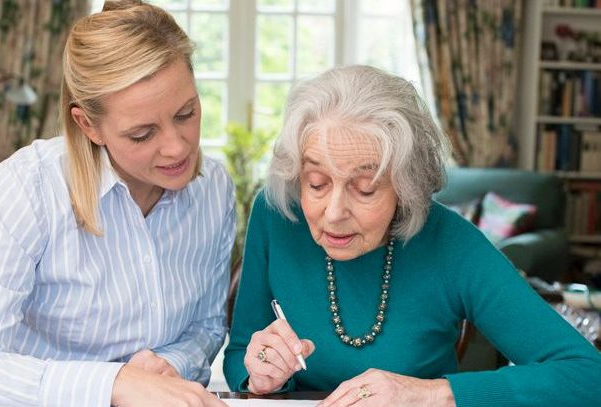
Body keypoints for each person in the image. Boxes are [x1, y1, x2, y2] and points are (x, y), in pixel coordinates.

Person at [223, 65, 601, 406]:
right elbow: (240, 353)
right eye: (317, 183)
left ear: (407, 187)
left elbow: (588, 376)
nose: (334, 213)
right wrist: (259, 375)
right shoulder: (276, 214)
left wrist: (429, 393)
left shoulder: (450, 243)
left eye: (366, 189)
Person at [0, 2, 234, 406]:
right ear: (88, 125)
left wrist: (170, 365)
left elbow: (207, 326)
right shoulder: (28, 188)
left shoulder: (214, 188)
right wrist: (114, 384)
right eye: (142, 134)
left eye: (186, 113)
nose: (177, 147)